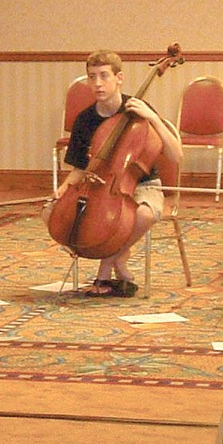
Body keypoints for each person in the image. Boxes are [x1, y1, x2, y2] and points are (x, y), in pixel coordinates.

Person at [42, 50, 182, 296]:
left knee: (143, 215)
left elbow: (176, 156)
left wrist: (153, 119)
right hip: (97, 186)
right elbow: (79, 168)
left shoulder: (139, 111)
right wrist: (64, 188)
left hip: (142, 185)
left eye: (104, 76)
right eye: (92, 77)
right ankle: (115, 255)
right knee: (51, 213)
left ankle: (108, 265)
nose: (97, 83)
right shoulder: (84, 120)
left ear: (119, 78)